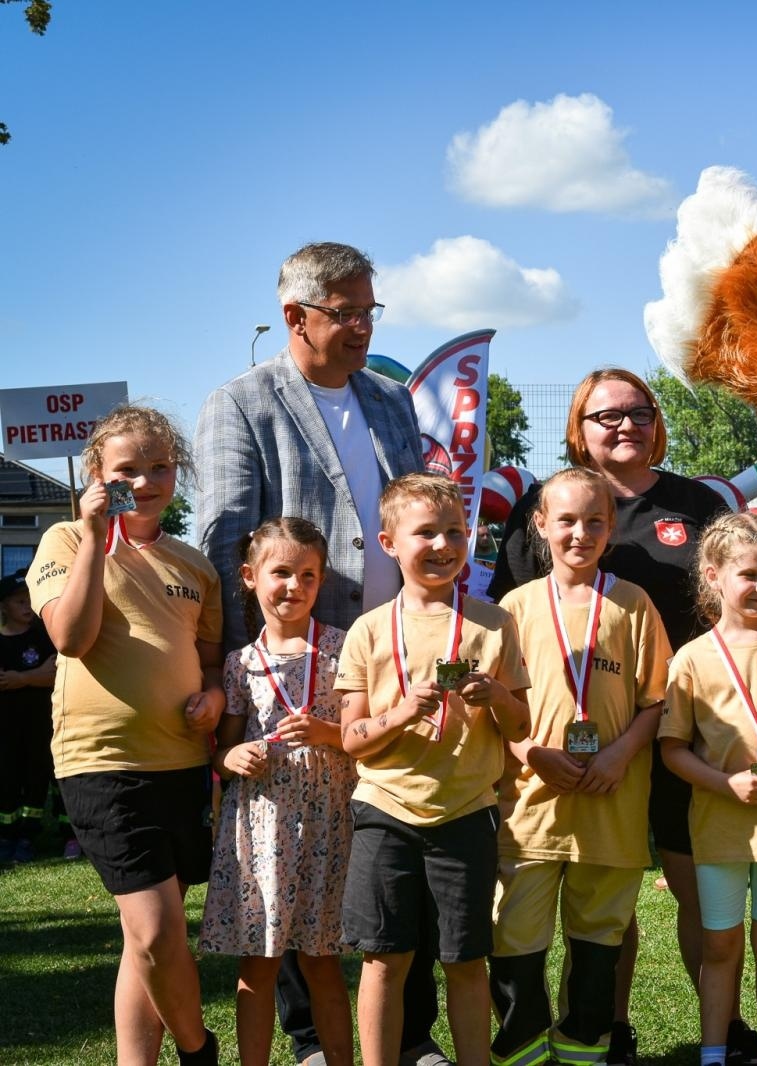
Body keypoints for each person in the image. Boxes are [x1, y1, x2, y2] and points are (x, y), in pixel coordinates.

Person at [194, 240, 438, 1066]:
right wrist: (242, 679)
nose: (364, 325)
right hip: (295, 681)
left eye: (370, 310)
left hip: (394, 661)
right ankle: (309, 1037)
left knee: (397, 844)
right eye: (346, 312)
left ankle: (410, 1033)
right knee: (297, 862)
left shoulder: (392, 401)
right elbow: (226, 539)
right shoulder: (241, 404)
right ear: (295, 316)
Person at [488, 367, 730, 1064]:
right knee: (528, 922)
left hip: (668, 741)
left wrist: (626, 749)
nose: (625, 424)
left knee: (650, 899)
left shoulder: (691, 510)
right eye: (606, 415)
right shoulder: (522, 590)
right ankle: (558, 1035)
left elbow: (674, 674)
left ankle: (696, 1031)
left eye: (638, 411)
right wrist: (529, 748)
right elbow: (502, 681)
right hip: (543, 783)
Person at [29, 405, 224, 1066]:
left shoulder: (195, 566)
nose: (144, 482)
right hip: (100, 764)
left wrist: (214, 695)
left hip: (182, 764)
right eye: (127, 470)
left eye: (161, 467)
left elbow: (212, 661)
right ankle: (198, 1050)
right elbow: (70, 637)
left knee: (144, 940)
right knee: (157, 930)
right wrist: (93, 536)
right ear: (96, 473)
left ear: (179, 472)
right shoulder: (64, 541)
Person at [335, 474, 532, 1066]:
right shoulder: (369, 629)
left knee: (466, 961)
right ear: (389, 543)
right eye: (426, 532)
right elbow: (351, 739)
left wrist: (497, 696)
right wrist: (400, 714)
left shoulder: (493, 624)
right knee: (384, 958)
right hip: (385, 811)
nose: (443, 544)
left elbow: (520, 726)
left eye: (455, 531)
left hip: (466, 813)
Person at [490, 467, 672, 1066]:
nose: (580, 533)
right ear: (540, 525)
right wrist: (530, 753)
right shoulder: (514, 608)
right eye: (566, 520)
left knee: (598, 938)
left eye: (595, 521)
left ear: (611, 526)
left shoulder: (633, 604)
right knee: (515, 935)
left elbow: (657, 701)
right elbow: (496, 710)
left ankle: (583, 1048)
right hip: (531, 808)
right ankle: (520, 1047)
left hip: (610, 803)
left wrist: (620, 754)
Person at [200, 519, 357, 1066]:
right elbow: (222, 749)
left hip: (327, 825)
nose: (294, 585)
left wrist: (326, 733)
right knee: (258, 963)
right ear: (250, 576)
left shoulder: (343, 649)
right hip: (261, 830)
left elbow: (363, 737)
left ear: (322, 580)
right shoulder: (239, 663)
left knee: (322, 961)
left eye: (308, 574)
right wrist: (230, 757)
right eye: (282, 572)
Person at [661, 513, 757, 1066]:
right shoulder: (691, 659)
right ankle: (714, 1053)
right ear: (712, 576)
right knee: (720, 945)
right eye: (749, 574)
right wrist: (726, 784)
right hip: (719, 828)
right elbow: (672, 750)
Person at [0, 568, 58, 863]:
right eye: (20, 601)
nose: (27, 607)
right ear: (4, 607)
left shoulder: (43, 637)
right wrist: (36, 676)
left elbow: (53, 673)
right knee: (6, 779)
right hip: (6, 728)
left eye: (29, 600)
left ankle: (28, 836)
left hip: (39, 725)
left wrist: (21, 679)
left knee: (37, 777)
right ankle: (6, 835)